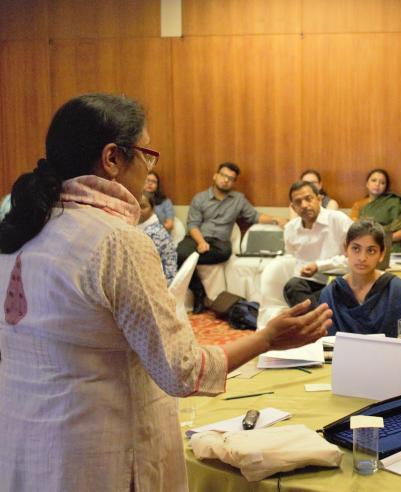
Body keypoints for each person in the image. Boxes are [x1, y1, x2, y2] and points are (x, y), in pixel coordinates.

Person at [0, 93, 332, 491]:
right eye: (147, 153)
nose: (151, 167)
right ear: (112, 159)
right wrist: (267, 338)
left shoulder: (22, 230)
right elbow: (182, 370)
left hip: (26, 449)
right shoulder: (116, 240)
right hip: (98, 458)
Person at [177, 162, 288, 313]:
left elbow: (254, 216)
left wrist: (276, 219)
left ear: (233, 182)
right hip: (198, 238)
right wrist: (201, 242)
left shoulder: (238, 200)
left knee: (224, 253)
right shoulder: (200, 198)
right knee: (179, 254)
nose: (226, 180)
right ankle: (198, 290)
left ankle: (201, 290)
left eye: (231, 178)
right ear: (215, 176)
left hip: (219, 244)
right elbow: (193, 224)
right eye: (223, 176)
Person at [319, 219, 401, 340]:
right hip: (341, 359)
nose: (362, 258)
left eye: (371, 251)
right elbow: (324, 346)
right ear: (345, 249)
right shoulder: (331, 293)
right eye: (356, 249)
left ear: (382, 254)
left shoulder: (395, 289)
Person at [282, 180, 354, 308]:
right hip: (309, 284)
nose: (304, 205)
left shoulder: (338, 220)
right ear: (293, 207)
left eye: (308, 199)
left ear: (319, 199)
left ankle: (312, 321)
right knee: (292, 287)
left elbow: (353, 259)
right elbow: (292, 256)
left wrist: (319, 266)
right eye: (298, 202)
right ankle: (318, 320)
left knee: (336, 290)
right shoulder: (290, 229)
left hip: (338, 279)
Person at [349, 168, 401, 252]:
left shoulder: (393, 203)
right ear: (367, 184)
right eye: (374, 180)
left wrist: (382, 240)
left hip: (389, 246)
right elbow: (354, 227)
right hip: (364, 245)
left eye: (382, 182)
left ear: (385, 187)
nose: (377, 184)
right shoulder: (359, 204)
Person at [137, 192, 178, 285]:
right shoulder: (141, 227)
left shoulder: (154, 234)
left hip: (162, 283)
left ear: (153, 209)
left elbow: (144, 267)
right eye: (135, 205)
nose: (138, 210)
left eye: (143, 207)